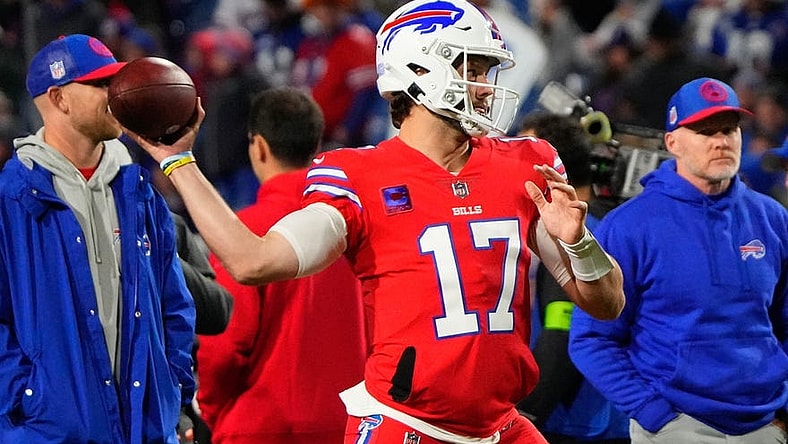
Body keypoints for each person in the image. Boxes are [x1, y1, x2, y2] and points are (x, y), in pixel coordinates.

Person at [130, 1, 625, 442]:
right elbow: (252, 262)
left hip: (502, 424)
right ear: (420, 69)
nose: (485, 86)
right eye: (471, 67)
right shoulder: (358, 175)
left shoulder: (525, 162)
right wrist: (180, 163)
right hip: (406, 424)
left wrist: (579, 243)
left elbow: (607, 304)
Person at [569, 77, 788, 444]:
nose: (721, 141)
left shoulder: (772, 218)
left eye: (729, 129)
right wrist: (654, 413)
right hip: (677, 424)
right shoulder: (630, 226)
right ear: (673, 142)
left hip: (764, 424)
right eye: (704, 130)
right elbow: (591, 339)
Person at [0, 34, 196, 442]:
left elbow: (174, 304)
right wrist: (27, 399)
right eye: (100, 84)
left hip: (145, 428)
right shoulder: (12, 197)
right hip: (49, 431)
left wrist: (172, 391)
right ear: (58, 98)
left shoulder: (138, 189)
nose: (117, 93)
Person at [196, 86, 367, 444]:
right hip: (352, 426)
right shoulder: (357, 223)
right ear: (316, 147)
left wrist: (212, 410)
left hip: (263, 427)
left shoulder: (244, 230)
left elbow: (225, 344)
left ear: (258, 146)